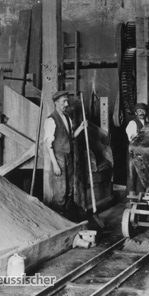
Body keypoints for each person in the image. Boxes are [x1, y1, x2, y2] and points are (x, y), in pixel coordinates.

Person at [43, 90, 87, 218]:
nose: (66, 104)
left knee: (69, 189)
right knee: (61, 190)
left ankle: (68, 216)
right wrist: (55, 164)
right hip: (59, 157)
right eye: (64, 101)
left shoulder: (67, 117)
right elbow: (49, 144)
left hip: (69, 156)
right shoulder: (51, 120)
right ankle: (59, 216)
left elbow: (70, 137)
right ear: (56, 103)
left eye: (67, 101)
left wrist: (81, 128)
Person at [125, 103, 149, 193]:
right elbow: (132, 137)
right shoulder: (132, 123)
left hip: (143, 154)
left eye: (143, 110)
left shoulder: (148, 124)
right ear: (135, 113)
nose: (141, 112)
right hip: (133, 153)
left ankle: (142, 200)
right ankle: (131, 200)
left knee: (143, 176)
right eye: (139, 111)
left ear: (146, 112)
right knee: (132, 176)